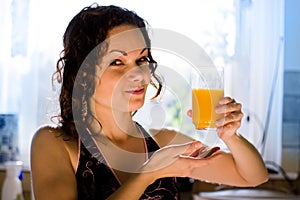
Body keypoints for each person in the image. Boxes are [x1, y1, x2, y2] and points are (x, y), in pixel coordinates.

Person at [30, 3, 268, 200]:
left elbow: (253, 176)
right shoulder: (55, 144)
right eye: (117, 62)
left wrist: (230, 136)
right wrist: (148, 173)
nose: (139, 74)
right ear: (83, 76)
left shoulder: (162, 141)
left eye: (142, 59)